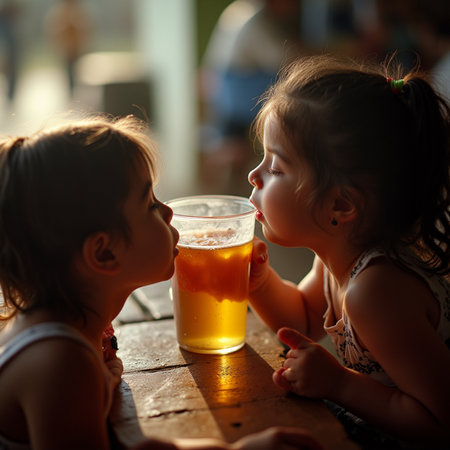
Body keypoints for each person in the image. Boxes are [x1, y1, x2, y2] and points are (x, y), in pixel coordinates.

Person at [0, 115, 323, 450]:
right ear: (104, 253)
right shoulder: (61, 362)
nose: (168, 211)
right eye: (150, 203)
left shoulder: (71, 328)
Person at [247, 54, 450, 448]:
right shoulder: (336, 257)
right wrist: (260, 284)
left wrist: (339, 382)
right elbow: (303, 320)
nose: (254, 175)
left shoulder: (376, 292)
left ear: (340, 206)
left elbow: (442, 423)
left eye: (275, 168)